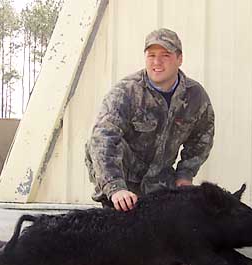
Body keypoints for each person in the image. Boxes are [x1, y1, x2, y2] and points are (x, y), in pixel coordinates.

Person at [85, 28, 215, 211]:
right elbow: (102, 140)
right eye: (151, 55)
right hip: (122, 185)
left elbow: (202, 138)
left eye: (165, 55)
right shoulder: (126, 92)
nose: (157, 62)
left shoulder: (195, 96)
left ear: (180, 59)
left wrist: (185, 174)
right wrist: (115, 188)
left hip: (161, 184)